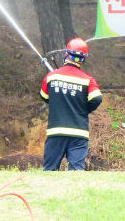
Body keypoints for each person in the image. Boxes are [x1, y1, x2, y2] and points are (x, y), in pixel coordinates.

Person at [40, 38, 103, 171]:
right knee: (76, 172)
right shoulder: (88, 80)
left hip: (56, 131)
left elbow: (44, 96)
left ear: (66, 54)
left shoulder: (51, 76)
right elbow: (97, 98)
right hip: (79, 133)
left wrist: (59, 100)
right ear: (83, 59)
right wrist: (84, 108)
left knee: (50, 171)